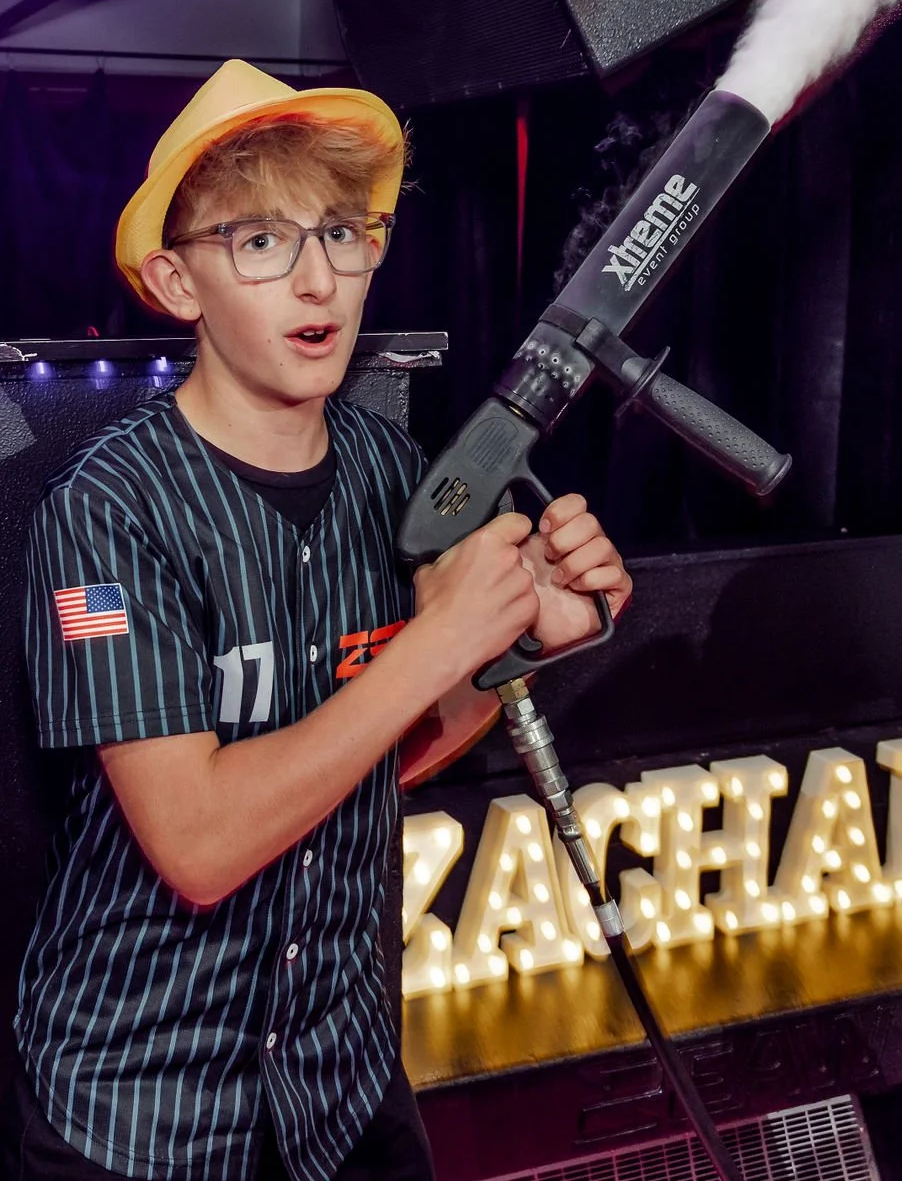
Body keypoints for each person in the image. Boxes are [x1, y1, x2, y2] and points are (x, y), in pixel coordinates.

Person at [0, 59, 633, 1181]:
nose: (319, 282)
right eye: (261, 243)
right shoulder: (104, 512)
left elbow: (386, 758)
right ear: (176, 281)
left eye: (343, 235)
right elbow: (198, 849)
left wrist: (525, 637)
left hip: (340, 1091)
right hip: (143, 1110)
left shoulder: (395, 476)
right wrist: (440, 641)